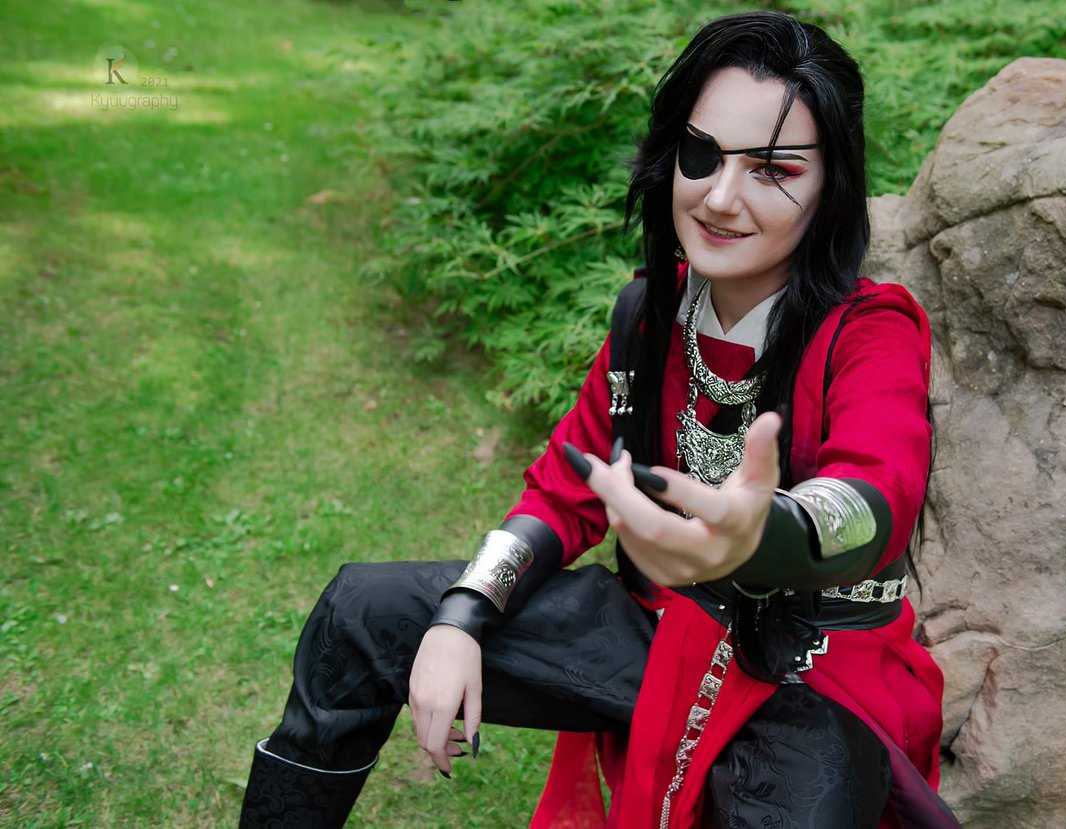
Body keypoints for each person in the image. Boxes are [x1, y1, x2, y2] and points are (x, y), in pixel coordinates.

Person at [239, 11, 960, 829]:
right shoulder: (649, 315)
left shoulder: (870, 329)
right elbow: (563, 489)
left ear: (832, 184)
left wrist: (766, 532)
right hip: (657, 629)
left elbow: (876, 489)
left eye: (772, 170)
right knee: (362, 612)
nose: (720, 197)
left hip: (808, 673)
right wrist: (463, 611)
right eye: (702, 154)